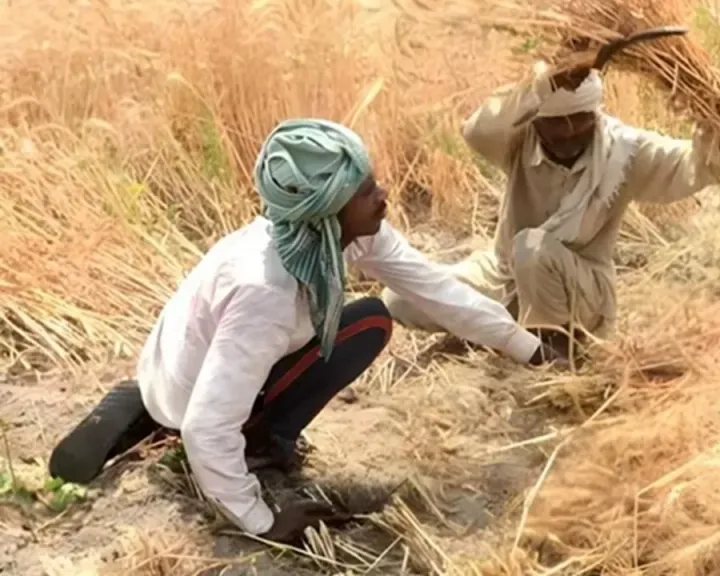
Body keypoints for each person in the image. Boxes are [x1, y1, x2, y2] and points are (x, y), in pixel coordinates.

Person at [48, 119, 554, 544]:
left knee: (368, 319)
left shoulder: (323, 234)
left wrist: (528, 348)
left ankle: (152, 407)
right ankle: (259, 445)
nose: (382, 197)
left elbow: (438, 291)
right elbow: (206, 428)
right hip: (197, 397)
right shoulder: (266, 290)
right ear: (327, 210)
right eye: (365, 192)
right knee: (366, 326)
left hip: (182, 364)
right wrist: (261, 520)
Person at [382, 59, 720, 359]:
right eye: (557, 121)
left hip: (580, 294)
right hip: (504, 276)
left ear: (595, 113)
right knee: (399, 298)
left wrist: (719, 116)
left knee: (532, 249)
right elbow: (477, 131)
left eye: (580, 118)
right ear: (535, 120)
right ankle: (504, 327)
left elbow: (693, 166)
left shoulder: (622, 151)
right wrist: (539, 85)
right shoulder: (518, 140)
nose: (569, 132)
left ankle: (553, 347)